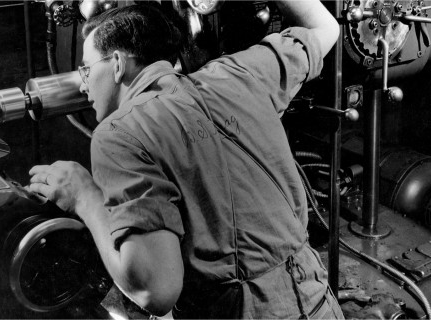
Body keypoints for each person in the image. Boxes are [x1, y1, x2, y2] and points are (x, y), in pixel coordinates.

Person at [28, 1, 343, 318]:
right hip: (319, 301)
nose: (82, 85)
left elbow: (156, 291)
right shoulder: (240, 72)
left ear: (118, 64)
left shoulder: (119, 134)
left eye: (86, 68)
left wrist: (84, 196)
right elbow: (326, 28)